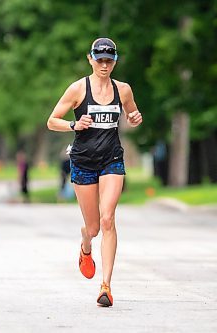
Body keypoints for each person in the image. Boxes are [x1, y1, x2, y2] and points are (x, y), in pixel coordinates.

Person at [47, 37, 143, 307]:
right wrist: (74, 125)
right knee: (93, 227)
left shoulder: (122, 89)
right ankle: (85, 245)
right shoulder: (78, 89)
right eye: (99, 59)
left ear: (115, 61)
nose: (104, 64)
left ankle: (106, 286)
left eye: (109, 59)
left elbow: (133, 114)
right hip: (84, 161)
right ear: (90, 59)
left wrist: (135, 118)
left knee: (108, 218)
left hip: (111, 159)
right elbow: (51, 120)